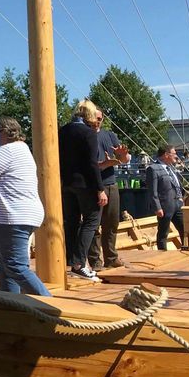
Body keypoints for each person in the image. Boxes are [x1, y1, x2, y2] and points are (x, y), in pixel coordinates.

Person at [0, 118, 50, 296]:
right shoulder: (22, 150)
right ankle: (11, 309)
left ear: (3, 133)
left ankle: (51, 305)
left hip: (14, 216)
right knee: (6, 267)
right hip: (23, 214)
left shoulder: (6, 151)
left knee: (15, 266)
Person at [58, 100, 107, 281]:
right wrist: (100, 189)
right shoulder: (88, 133)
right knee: (91, 221)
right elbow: (91, 164)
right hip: (86, 185)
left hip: (66, 184)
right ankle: (79, 264)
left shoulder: (62, 131)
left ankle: (71, 260)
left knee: (71, 222)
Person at [88, 108, 131, 270]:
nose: (97, 121)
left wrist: (122, 155)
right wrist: (104, 165)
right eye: (94, 117)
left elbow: (124, 159)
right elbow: (86, 165)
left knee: (112, 223)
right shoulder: (86, 136)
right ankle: (95, 261)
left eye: (100, 118)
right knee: (93, 225)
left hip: (111, 183)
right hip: (93, 186)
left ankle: (111, 258)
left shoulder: (110, 135)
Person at [147, 144, 187, 250]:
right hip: (165, 206)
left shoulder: (171, 168)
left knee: (185, 229)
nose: (176, 156)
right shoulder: (153, 169)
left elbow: (177, 185)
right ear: (166, 154)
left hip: (178, 204)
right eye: (174, 153)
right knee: (163, 233)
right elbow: (152, 190)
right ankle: (162, 254)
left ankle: (186, 249)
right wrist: (157, 207)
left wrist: (181, 198)